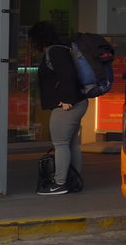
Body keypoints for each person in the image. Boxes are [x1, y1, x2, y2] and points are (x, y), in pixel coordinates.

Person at [30, 21, 88, 195]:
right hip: (77, 102)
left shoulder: (55, 51)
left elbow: (67, 76)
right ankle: (73, 180)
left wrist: (65, 99)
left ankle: (60, 183)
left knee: (61, 144)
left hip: (67, 106)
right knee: (71, 144)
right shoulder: (62, 49)